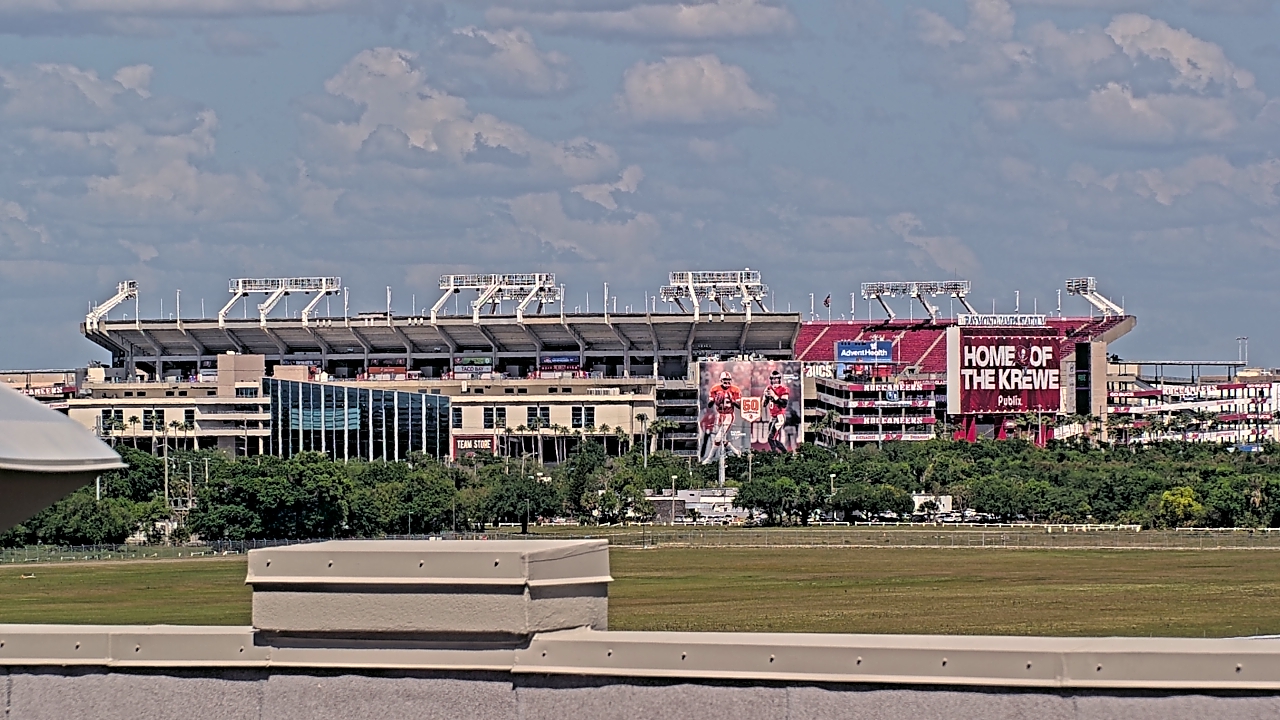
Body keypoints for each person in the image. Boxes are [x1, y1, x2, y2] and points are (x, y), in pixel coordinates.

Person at [706, 370, 743, 460]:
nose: (727, 382)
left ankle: (709, 458)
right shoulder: (715, 389)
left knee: (718, 438)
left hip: (728, 415)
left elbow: (739, 406)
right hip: (719, 415)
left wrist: (732, 400)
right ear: (721, 381)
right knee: (722, 440)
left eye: (729, 380)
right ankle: (736, 452)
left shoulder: (735, 390)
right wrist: (715, 399)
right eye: (725, 380)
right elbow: (709, 405)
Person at [764, 368, 791, 452]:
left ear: (779, 379)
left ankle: (774, 456)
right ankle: (785, 453)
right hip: (772, 417)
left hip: (779, 416)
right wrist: (765, 397)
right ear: (771, 380)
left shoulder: (783, 389)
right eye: (773, 379)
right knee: (773, 439)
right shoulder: (768, 388)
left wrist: (774, 396)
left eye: (776, 378)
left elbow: (784, 404)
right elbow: (764, 404)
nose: (775, 380)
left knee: (770, 438)